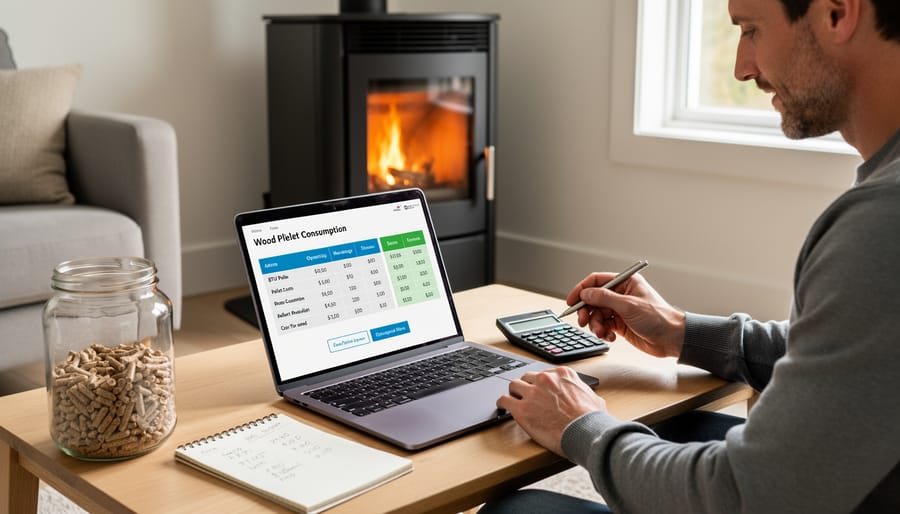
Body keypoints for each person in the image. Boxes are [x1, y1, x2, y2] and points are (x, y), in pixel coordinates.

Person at [479, 0, 900, 512]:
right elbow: (854, 359)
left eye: (751, 30)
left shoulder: (881, 223)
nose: (742, 68)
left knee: (519, 510)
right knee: (676, 425)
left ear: (837, 13)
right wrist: (681, 331)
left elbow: (742, 495)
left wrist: (581, 425)